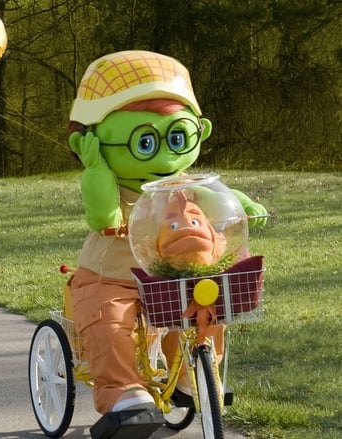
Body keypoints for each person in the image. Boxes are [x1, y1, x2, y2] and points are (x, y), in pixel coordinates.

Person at [65, 50, 267, 438]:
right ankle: (124, 393)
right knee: (110, 321)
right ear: (88, 141)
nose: (164, 155)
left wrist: (244, 205)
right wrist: (97, 167)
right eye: (144, 142)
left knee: (209, 306)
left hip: (172, 275)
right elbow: (103, 217)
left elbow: (217, 195)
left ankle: (195, 376)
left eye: (177, 137)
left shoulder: (184, 184)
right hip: (113, 274)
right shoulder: (110, 182)